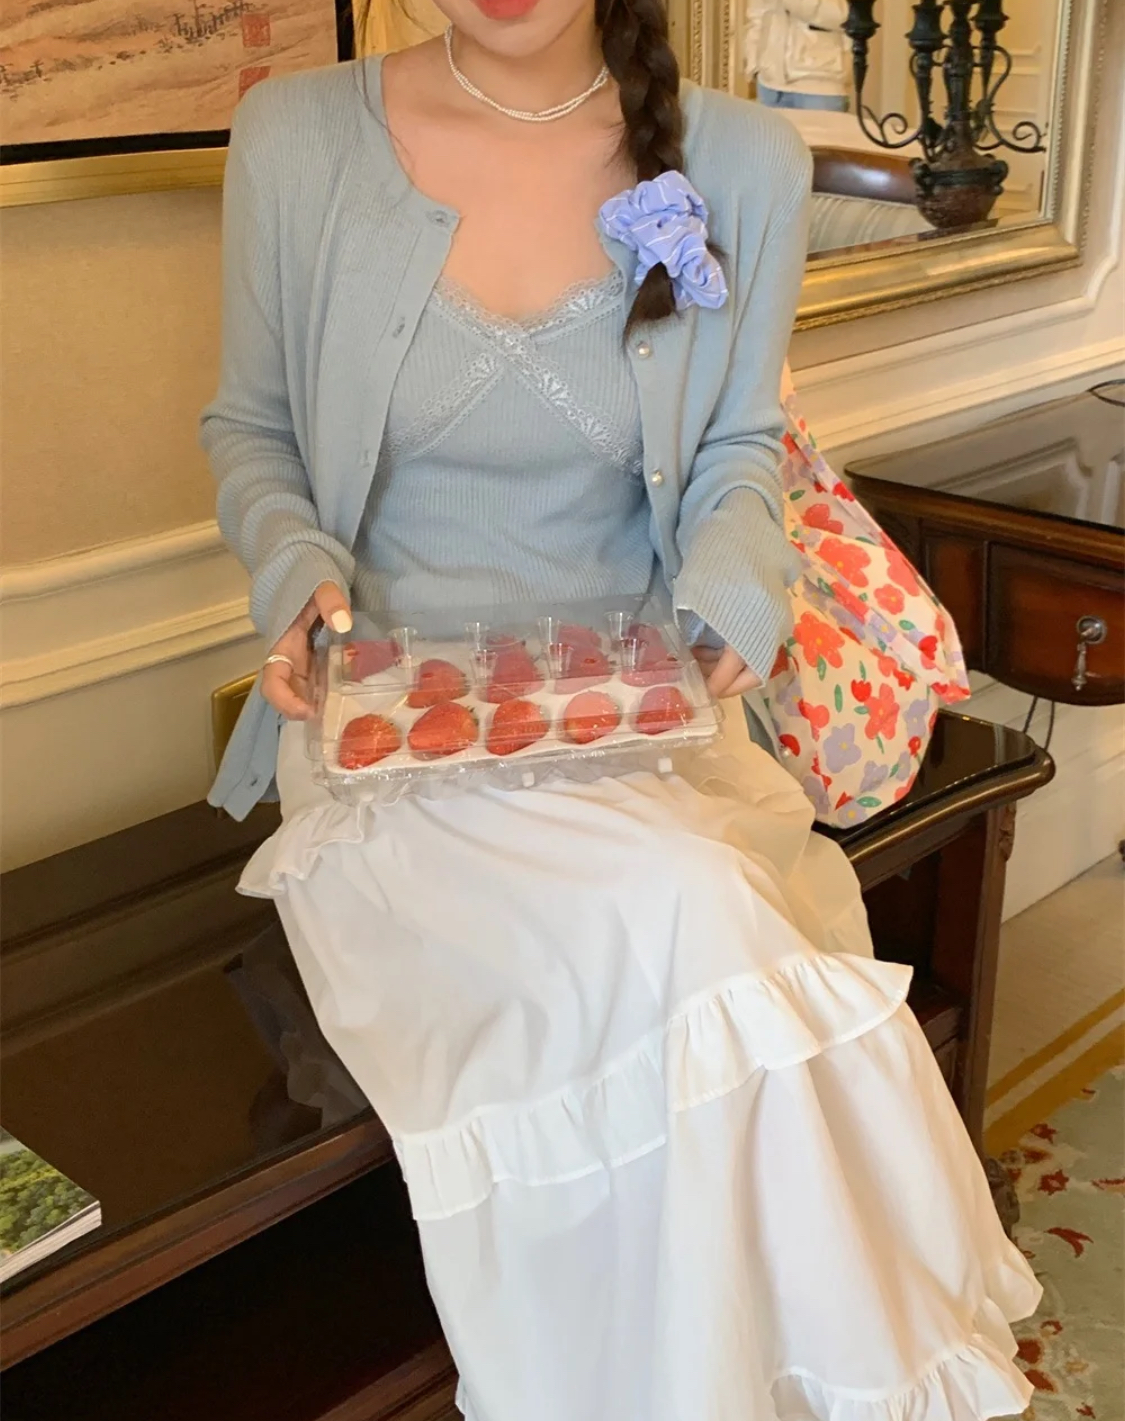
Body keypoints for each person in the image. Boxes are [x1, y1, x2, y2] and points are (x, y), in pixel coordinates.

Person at [201, 0, 1040, 1415]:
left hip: (633, 718)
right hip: (394, 735)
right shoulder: (295, 139)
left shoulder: (742, 160)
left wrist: (737, 586)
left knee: (693, 923)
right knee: (692, 926)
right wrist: (291, 573)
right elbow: (251, 428)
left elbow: (738, 449)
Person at [745, 0, 852, 111]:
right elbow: (757, 18)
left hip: (821, 84)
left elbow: (846, 16)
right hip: (769, 85)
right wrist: (754, 66)